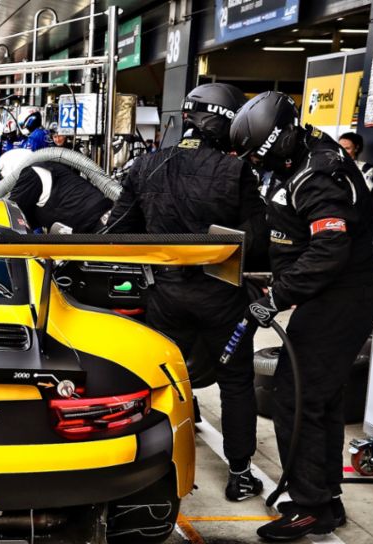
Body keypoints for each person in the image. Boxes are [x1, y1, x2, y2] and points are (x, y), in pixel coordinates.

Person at [104, 83, 268, 502]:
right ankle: (240, 472)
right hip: (223, 297)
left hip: (165, 294)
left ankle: (160, 466)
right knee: (235, 382)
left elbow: (117, 231)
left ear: (188, 118)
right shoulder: (237, 171)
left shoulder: (147, 164)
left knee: (165, 379)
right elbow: (258, 242)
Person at [230, 92, 373, 541]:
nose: (257, 164)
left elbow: (328, 250)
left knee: (294, 397)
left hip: (340, 298)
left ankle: (310, 506)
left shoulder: (319, 174)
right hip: (330, 297)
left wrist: (278, 295)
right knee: (320, 398)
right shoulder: (298, 160)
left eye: (259, 155)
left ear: (277, 141)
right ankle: (325, 498)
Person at [0, 149, 111, 234]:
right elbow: (29, 222)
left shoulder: (32, 173)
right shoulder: (44, 172)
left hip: (94, 221)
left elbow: (10, 212)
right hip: (91, 223)